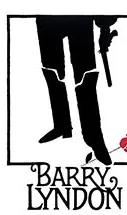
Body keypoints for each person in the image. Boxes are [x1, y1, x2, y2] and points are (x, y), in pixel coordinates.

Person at [35, 16, 119, 164]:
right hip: (46, 15)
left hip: (80, 16)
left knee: (85, 76)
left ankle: (93, 136)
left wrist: (104, 25)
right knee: (52, 71)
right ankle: (62, 126)